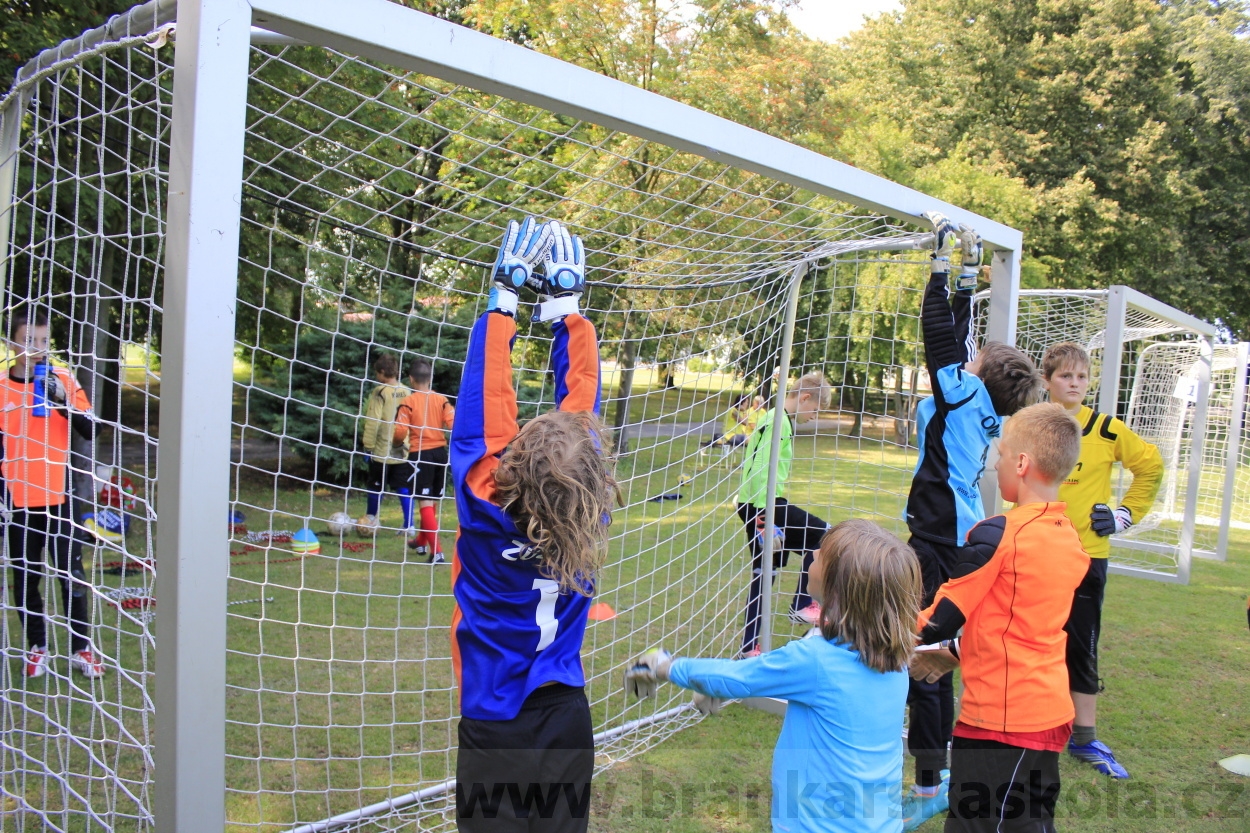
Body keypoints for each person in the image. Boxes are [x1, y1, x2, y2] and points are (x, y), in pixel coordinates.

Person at [451, 217, 617, 833]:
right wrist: (567, 313)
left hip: (495, 721)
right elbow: (581, 413)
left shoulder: (483, 503)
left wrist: (503, 304)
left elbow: (484, 404)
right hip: (567, 716)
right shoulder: (587, 510)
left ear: (510, 464)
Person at [624, 519, 922, 833]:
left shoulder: (816, 661)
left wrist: (665, 666)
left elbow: (740, 677)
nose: (813, 553)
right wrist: (718, 685)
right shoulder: (895, 660)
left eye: (822, 554)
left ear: (839, 586)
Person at [903, 213, 1042, 802]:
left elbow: (939, 337)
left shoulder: (964, 395)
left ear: (981, 375)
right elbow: (955, 341)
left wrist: (940, 269)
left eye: (975, 356)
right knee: (927, 649)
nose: (969, 355)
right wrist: (966, 274)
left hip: (940, 539)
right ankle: (934, 765)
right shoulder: (973, 399)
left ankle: (930, 776)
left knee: (923, 652)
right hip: (948, 533)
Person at [909, 403, 1089, 832]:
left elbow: (936, 621)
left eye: (1002, 454)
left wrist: (862, 629)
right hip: (1048, 713)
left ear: (1022, 464)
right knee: (1028, 822)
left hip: (1002, 723)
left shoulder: (998, 534)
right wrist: (959, 651)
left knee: (973, 825)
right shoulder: (1069, 537)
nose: (996, 462)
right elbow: (1026, 621)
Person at [1042, 341, 1163, 779]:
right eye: (1065, 376)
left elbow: (1150, 465)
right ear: (1047, 381)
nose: (1074, 384)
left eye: (1081, 376)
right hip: (1036, 552)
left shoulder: (1107, 430)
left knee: (1081, 644)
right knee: (1031, 640)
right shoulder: (1030, 424)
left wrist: (1124, 514)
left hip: (1086, 556)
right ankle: (1030, 723)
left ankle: (1085, 737)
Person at [1, 306, 103, 679]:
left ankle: (81, 648)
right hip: (18, 503)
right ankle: (37, 647)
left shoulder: (62, 378)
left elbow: (92, 430)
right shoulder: (1, 387)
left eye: (43, 341)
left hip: (60, 499)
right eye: (28, 340)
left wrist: (62, 402)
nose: (36, 349)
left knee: (71, 575)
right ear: (11, 343)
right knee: (26, 579)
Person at [737, 371, 832, 656]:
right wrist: (764, 517)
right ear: (804, 398)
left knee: (765, 574)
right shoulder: (778, 421)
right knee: (827, 537)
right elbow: (761, 466)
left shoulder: (775, 418)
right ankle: (801, 604)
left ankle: (749, 646)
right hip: (765, 505)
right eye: (815, 409)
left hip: (754, 503)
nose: (814, 416)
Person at [393, 357, 455, 563]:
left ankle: (437, 552)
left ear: (411, 379)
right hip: (440, 454)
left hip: (421, 455)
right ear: (430, 378)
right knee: (429, 500)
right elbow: (453, 424)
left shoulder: (408, 402)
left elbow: (400, 431)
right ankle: (421, 541)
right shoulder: (442, 399)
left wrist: (396, 444)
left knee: (425, 501)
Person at [359, 353, 412, 534]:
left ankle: (370, 520)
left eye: (377, 373)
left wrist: (368, 446)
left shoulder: (380, 392)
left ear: (382, 371)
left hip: (382, 450)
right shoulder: (406, 391)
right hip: (403, 449)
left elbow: (373, 421)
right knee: (403, 486)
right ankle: (409, 524)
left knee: (375, 486)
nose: (376, 376)